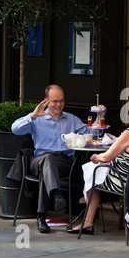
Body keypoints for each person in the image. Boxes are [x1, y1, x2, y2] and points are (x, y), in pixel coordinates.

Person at [67, 94, 129, 235]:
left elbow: (105, 157)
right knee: (96, 172)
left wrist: (95, 156)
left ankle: (87, 221)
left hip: (125, 183)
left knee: (93, 173)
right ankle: (84, 201)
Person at [11, 84, 88, 233]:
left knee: (46, 173)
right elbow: (15, 129)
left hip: (64, 163)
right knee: (48, 160)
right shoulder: (38, 119)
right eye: (55, 101)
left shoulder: (71, 119)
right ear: (46, 101)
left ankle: (41, 217)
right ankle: (56, 195)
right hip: (38, 160)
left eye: (61, 101)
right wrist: (32, 116)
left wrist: (100, 118)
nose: (59, 105)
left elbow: (89, 132)